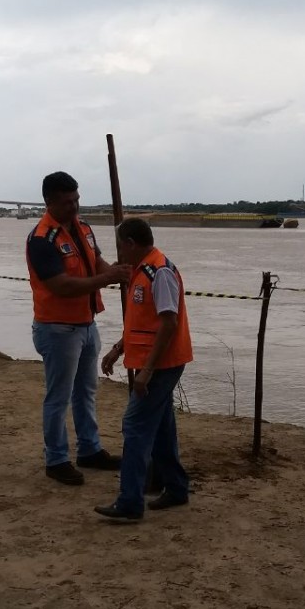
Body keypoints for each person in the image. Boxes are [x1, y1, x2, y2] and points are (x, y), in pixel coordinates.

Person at [27, 171, 129, 485]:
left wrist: (117, 272)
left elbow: (96, 262)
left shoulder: (83, 227)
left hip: (86, 324)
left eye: (76, 200)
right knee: (58, 397)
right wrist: (107, 279)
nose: (74, 207)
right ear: (49, 202)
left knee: (86, 391)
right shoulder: (41, 239)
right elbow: (62, 285)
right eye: (67, 202)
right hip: (57, 329)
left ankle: (89, 449)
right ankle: (56, 459)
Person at [95, 218, 193, 521]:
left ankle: (130, 501)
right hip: (153, 362)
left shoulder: (159, 272)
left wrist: (147, 371)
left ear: (130, 243)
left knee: (135, 426)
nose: (119, 253)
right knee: (161, 426)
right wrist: (118, 348)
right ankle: (175, 487)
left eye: (120, 246)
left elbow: (168, 323)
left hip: (162, 364)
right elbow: (142, 322)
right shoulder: (142, 271)